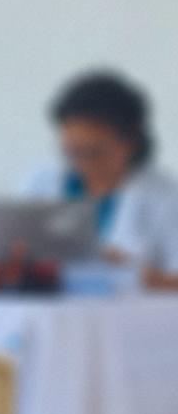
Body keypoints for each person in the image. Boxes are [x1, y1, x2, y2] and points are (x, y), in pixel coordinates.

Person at [30, 69, 178, 287]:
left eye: (94, 152)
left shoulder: (165, 197)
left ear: (131, 142)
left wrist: (131, 273)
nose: (82, 162)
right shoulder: (43, 183)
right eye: (72, 152)